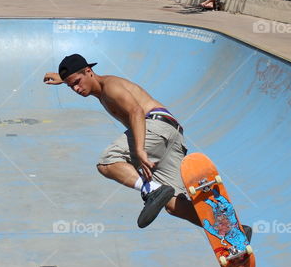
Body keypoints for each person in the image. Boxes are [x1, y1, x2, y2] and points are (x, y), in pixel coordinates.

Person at [43, 54, 199, 228]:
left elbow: (136, 111)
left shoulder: (110, 86)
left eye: (77, 82)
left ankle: (152, 190)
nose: (76, 89)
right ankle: (225, 232)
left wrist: (139, 150)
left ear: (89, 71)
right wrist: (64, 79)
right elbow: (76, 77)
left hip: (154, 126)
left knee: (107, 162)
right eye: (71, 86)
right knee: (173, 204)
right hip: (170, 133)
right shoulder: (93, 85)